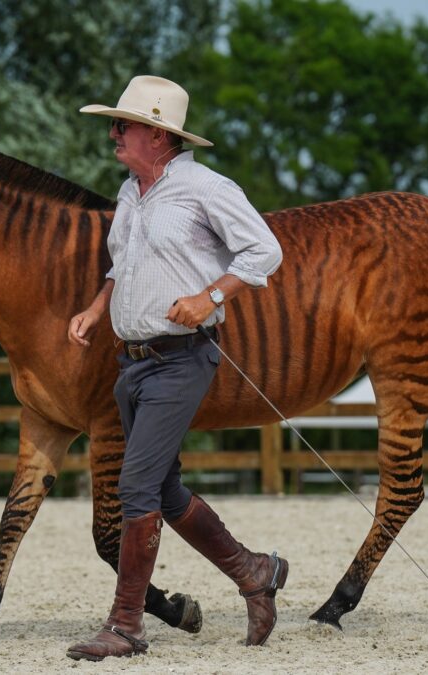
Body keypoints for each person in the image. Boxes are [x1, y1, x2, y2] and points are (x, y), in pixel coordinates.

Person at [65, 75, 286, 662]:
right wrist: (94, 308)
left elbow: (264, 250)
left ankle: (126, 626)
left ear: (159, 135)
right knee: (161, 490)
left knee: (133, 486)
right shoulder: (131, 190)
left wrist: (212, 297)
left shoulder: (204, 188)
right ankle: (254, 572)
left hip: (181, 359)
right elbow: (122, 264)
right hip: (131, 363)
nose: (113, 133)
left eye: (123, 124)